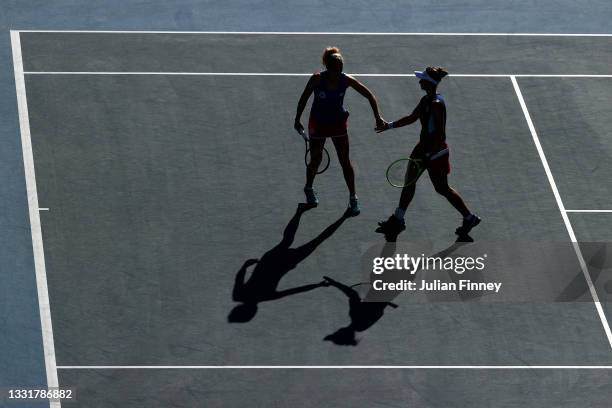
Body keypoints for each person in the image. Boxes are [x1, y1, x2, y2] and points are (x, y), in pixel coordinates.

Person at [376, 67, 480, 236]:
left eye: (422, 79)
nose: (419, 81)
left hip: (435, 152)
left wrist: (430, 153)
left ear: (429, 83)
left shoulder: (437, 105)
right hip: (422, 148)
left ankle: (469, 218)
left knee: (442, 188)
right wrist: (389, 125)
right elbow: (412, 117)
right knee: (409, 181)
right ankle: (398, 219)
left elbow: (440, 133)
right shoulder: (425, 100)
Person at [294, 46, 385, 216]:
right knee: (315, 159)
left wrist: (377, 117)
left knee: (345, 161)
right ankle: (308, 187)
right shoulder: (316, 79)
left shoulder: (347, 80)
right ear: (328, 67)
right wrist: (297, 119)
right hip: (318, 123)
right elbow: (304, 98)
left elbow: (369, 95)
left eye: (341, 68)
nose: (339, 72)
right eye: (336, 69)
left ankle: (353, 197)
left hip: (337, 123)